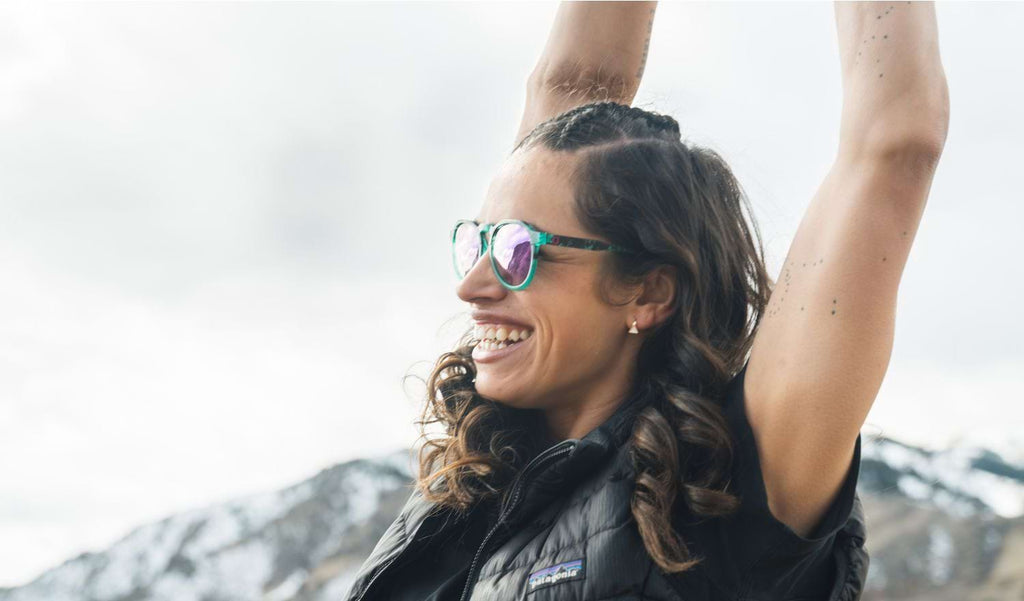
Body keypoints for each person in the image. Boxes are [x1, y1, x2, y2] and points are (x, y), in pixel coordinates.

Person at [345, 1, 949, 600]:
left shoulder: (728, 479)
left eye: (519, 250)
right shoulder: (477, 469)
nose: (472, 286)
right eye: (479, 242)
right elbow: (573, 85)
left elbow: (893, 145)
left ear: (648, 292)